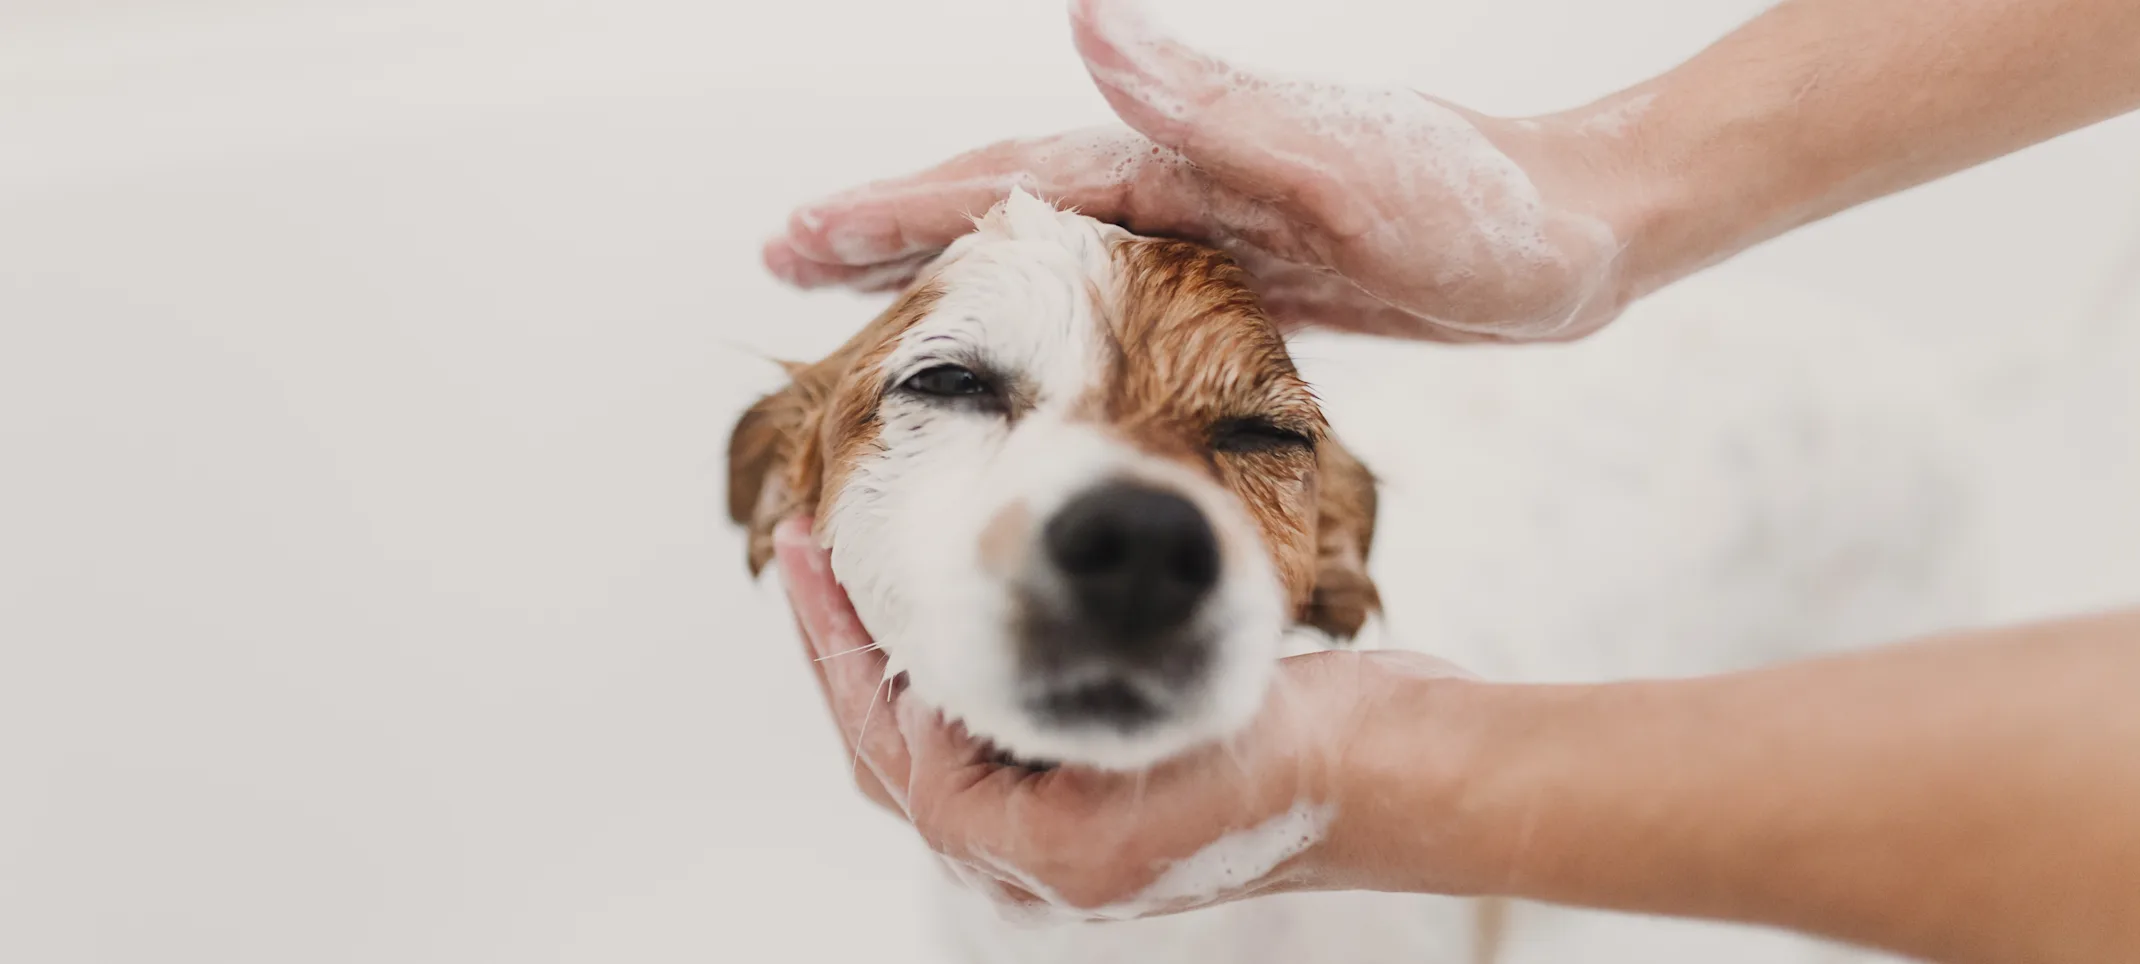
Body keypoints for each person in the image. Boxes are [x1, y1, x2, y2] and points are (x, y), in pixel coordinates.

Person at [757, 1, 2140, 961]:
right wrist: (1608, 190)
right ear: (789, 500)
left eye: (1253, 443)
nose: (1132, 522)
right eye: (952, 387)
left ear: (1329, 567)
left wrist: (1384, 786)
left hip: (1855, 490)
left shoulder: (1844, 454)